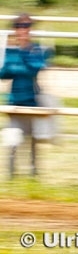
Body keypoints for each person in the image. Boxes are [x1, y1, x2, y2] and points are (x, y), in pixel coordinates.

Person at [0, 13, 49, 178]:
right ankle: (11, 176)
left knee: (33, 142)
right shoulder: (10, 52)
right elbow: (4, 73)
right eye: (20, 27)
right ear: (15, 30)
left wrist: (18, 61)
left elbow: (35, 68)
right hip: (14, 102)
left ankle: (33, 176)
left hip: (33, 102)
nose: (24, 30)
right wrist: (18, 61)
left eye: (27, 26)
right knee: (13, 141)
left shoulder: (36, 50)